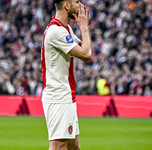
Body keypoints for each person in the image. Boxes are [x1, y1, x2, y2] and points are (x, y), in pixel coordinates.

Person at [41, 0, 92, 149]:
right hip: (58, 97)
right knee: (58, 146)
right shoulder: (56, 31)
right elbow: (86, 53)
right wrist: (83, 27)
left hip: (67, 96)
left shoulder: (65, 29)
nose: (80, 5)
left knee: (73, 147)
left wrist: (84, 28)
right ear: (67, 6)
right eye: (76, 1)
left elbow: (85, 47)